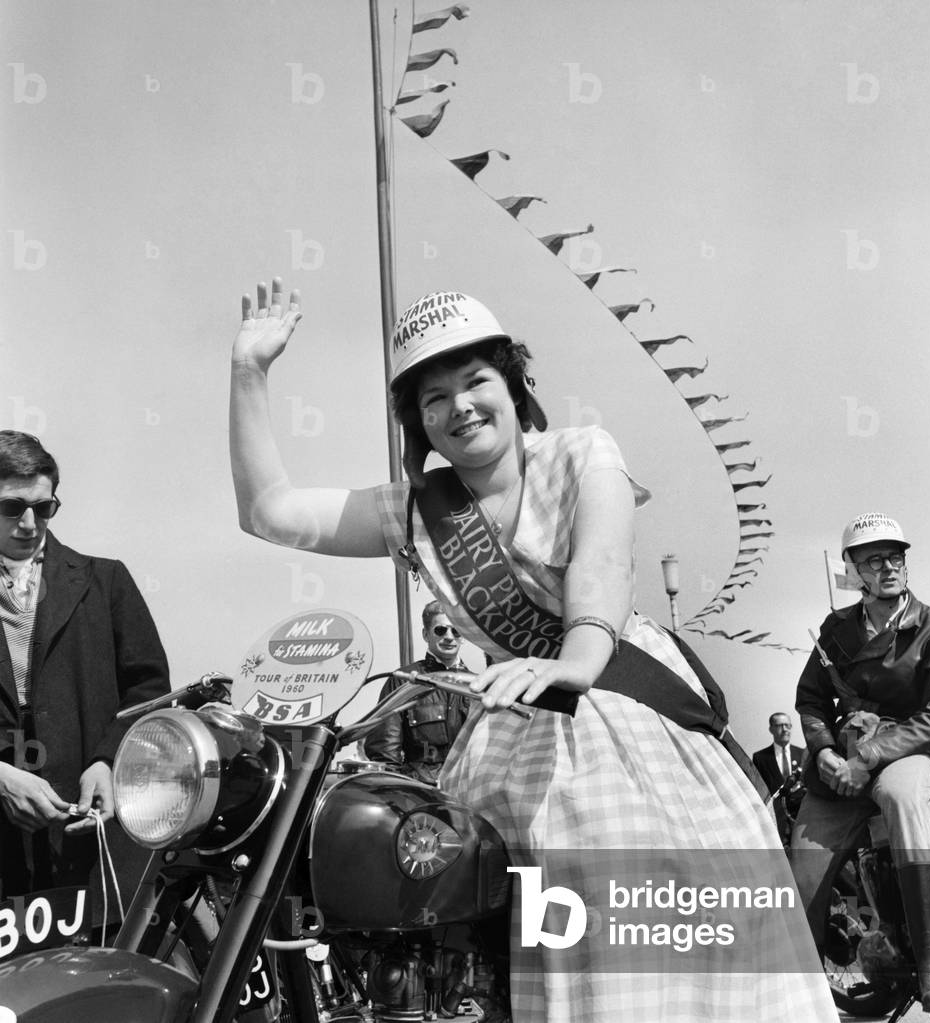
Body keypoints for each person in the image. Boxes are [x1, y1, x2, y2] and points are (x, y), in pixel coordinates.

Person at [229, 280, 838, 1022]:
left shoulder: (581, 452)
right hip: (512, 720)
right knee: (450, 883)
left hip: (619, 700)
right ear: (418, 423)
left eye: (476, 381)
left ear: (514, 389)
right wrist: (250, 371)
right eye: (434, 398)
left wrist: (575, 662)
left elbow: (601, 572)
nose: (459, 407)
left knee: (620, 868)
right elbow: (271, 513)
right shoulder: (418, 510)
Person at [790, 512, 930, 1014]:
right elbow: (811, 698)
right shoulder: (837, 628)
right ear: (853, 570)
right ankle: (800, 990)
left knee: (899, 795)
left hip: (908, 751)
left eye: (896, 557)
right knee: (800, 873)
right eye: (874, 560)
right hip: (842, 762)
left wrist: (868, 756)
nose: (889, 567)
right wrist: (823, 751)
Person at [0, 431, 170, 907]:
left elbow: (150, 689)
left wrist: (110, 760)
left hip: (88, 850)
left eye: (44, 507)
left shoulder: (106, 580)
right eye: (12, 507)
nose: (30, 524)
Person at [363, 600, 471, 782]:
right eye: (440, 630)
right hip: (422, 795)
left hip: (467, 792)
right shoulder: (403, 680)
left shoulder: (477, 685)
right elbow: (384, 752)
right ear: (425, 634)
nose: (449, 636)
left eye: (456, 630)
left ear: (464, 636)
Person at [752, 712, 805, 847]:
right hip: (775, 821)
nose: (785, 729)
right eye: (780, 725)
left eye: (788, 725)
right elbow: (760, 790)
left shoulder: (803, 755)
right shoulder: (760, 758)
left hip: (801, 819)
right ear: (771, 729)